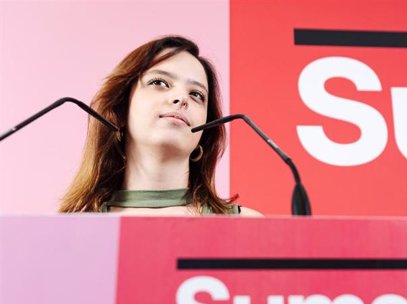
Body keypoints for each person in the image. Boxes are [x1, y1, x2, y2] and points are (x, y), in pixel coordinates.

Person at [60, 35, 261, 216]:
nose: (181, 98)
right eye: (160, 83)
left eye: (196, 94)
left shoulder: (246, 226)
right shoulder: (74, 230)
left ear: (205, 131)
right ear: (120, 111)